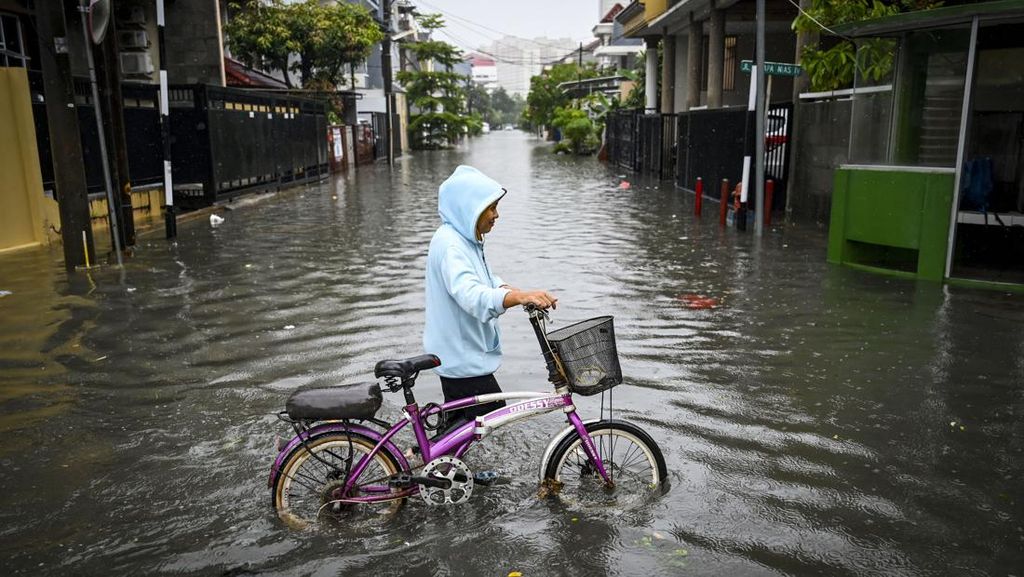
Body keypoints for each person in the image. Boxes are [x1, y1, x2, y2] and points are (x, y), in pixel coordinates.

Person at [423, 165, 557, 429]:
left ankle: (425, 460)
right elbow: (471, 295)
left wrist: (517, 292)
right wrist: (517, 298)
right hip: (461, 358)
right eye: (491, 207)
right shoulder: (451, 246)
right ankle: (420, 461)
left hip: (462, 355)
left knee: (463, 429)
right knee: (487, 418)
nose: (497, 215)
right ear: (470, 207)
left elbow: (485, 280)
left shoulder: (463, 240)